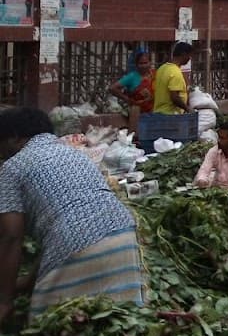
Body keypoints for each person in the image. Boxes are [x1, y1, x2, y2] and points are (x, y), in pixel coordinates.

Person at [0, 107, 145, 322]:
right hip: (125, 237)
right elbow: (62, 227)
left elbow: (11, 237)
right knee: (116, 322)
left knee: (51, 328)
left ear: (12, 138)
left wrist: (4, 300)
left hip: (77, 247)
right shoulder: (74, 154)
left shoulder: (12, 168)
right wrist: (28, 283)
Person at [110, 48, 155, 129]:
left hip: (154, 112)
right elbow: (113, 88)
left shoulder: (155, 75)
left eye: (146, 63)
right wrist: (127, 99)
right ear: (136, 64)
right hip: (137, 112)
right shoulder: (132, 77)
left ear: (150, 63)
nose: (144, 66)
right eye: (141, 63)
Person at [153, 41, 193, 114]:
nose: (189, 58)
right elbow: (175, 98)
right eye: (189, 56)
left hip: (158, 112)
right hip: (171, 115)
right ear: (183, 54)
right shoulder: (176, 72)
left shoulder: (161, 68)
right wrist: (188, 109)